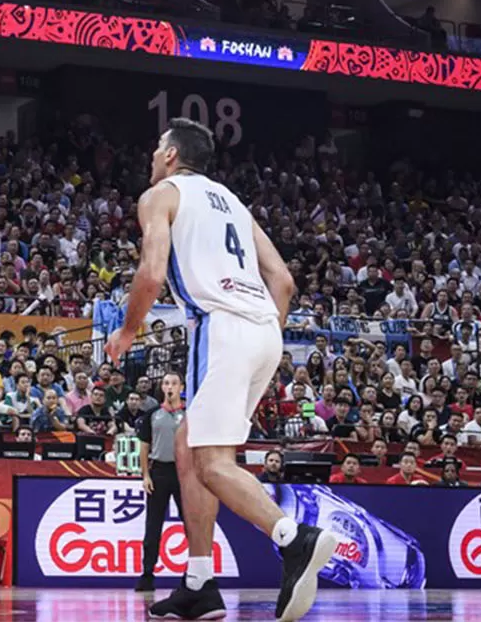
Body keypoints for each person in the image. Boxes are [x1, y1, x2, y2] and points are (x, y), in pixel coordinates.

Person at [106, 120, 335, 622]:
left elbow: (152, 272)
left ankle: (294, 538)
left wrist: (126, 331)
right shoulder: (232, 201)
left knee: (211, 463)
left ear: (170, 155)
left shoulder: (161, 195)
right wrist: (262, 334)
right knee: (191, 448)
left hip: (222, 328)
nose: (151, 157)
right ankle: (199, 582)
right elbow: (284, 280)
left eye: (154, 147)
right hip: (264, 333)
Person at [136, 372, 185, 593]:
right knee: (153, 525)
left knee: (191, 525)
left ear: (181, 387)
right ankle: (147, 573)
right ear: (162, 387)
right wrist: (145, 475)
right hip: (159, 472)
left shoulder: (189, 415)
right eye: (166, 383)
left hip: (184, 473)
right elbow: (144, 447)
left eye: (174, 383)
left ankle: (192, 573)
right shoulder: (152, 414)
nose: (170, 386)